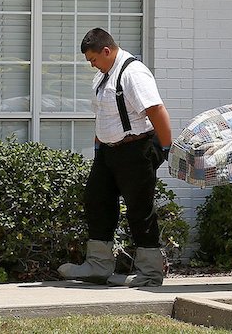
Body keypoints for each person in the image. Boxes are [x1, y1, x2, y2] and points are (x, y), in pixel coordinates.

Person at [57, 28, 173, 287]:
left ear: (106, 51)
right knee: (96, 200)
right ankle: (98, 266)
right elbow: (104, 115)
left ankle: (150, 273)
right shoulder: (102, 76)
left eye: (93, 59)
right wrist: (99, 146)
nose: (91, 64)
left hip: (136, 149)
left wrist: (165, 148)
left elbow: (155, 109)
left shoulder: (133, 73)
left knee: (139, 209)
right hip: (108, 152)